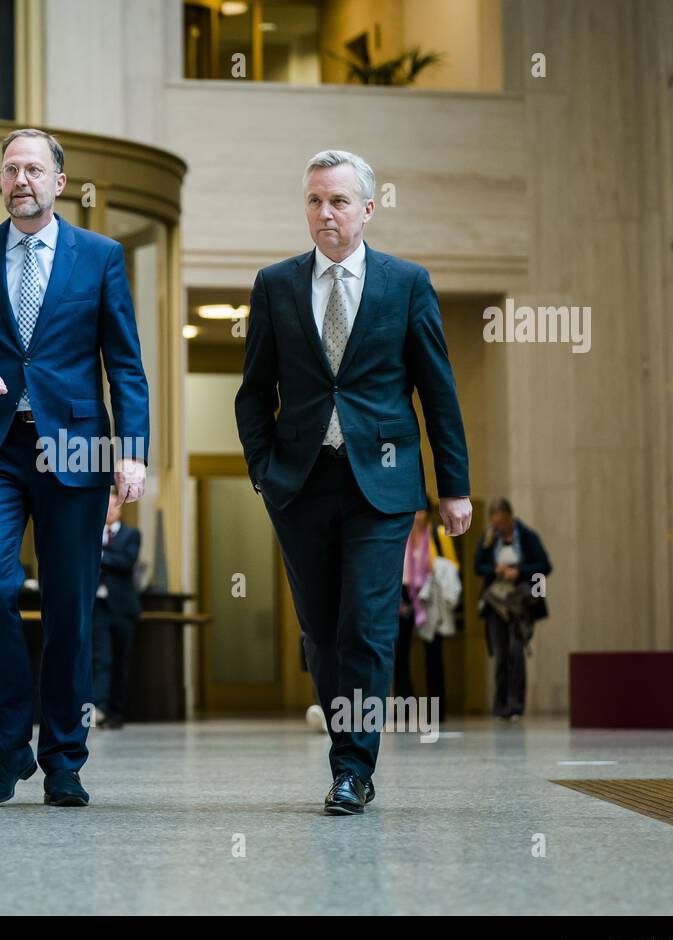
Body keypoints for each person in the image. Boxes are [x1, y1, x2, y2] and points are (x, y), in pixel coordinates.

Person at [235, 150, 472, 815]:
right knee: (322, 633)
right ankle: (347, 745)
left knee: (366, 624)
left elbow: (438, 391)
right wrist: (263, 471)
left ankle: (352, 767)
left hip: (384, 485)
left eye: (338, 201)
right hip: (301, 485)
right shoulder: (276, 285)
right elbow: (252, 394)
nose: (324, 213)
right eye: (314, 200)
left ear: (368, 209)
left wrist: (453, 486)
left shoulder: (406, 283)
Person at [0, 127, 149, 807]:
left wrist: (132, 451)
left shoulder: (101, 256)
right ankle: (7, 750)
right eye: (10, 168)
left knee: (69, 608)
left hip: (76, 451)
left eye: (33, 169)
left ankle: (63, 759)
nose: (20, 179)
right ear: (1, 181)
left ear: (58, 181)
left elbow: (127, 364)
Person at [473, 497, 551, 721]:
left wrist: (519, 572)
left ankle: (516, 705)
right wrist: (495, 569)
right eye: (495, 523)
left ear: (510, 518)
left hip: (520, 604)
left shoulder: (527, 537)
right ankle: (500, 706)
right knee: (500, 654)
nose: (499, 527)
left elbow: (544, 566)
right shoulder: (488, 539)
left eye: (502, 523)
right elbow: (478, 566)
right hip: (496, 603)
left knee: (516, 652)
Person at [395, 496, 460, 719]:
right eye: (415, 512)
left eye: (422, 512)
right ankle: (404, 707)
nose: (418, 516)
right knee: (399, 653)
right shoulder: (400, 535)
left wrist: (435, 565)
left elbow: (453, 565)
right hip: (403, 594)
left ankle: (436, 710)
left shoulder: (438, 535)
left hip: (429, 594)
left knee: (434, 653)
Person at [92, 485, 141, 729]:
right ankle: (99, 708)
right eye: (106, 507)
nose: (109, 511)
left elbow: (126, 561)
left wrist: (100, 556)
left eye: (114, 506)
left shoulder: (131, 535)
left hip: (123, 608)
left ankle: (117, 713)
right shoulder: (91, 534)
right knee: (102, 658)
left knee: (122, 659)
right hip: (98, 606)